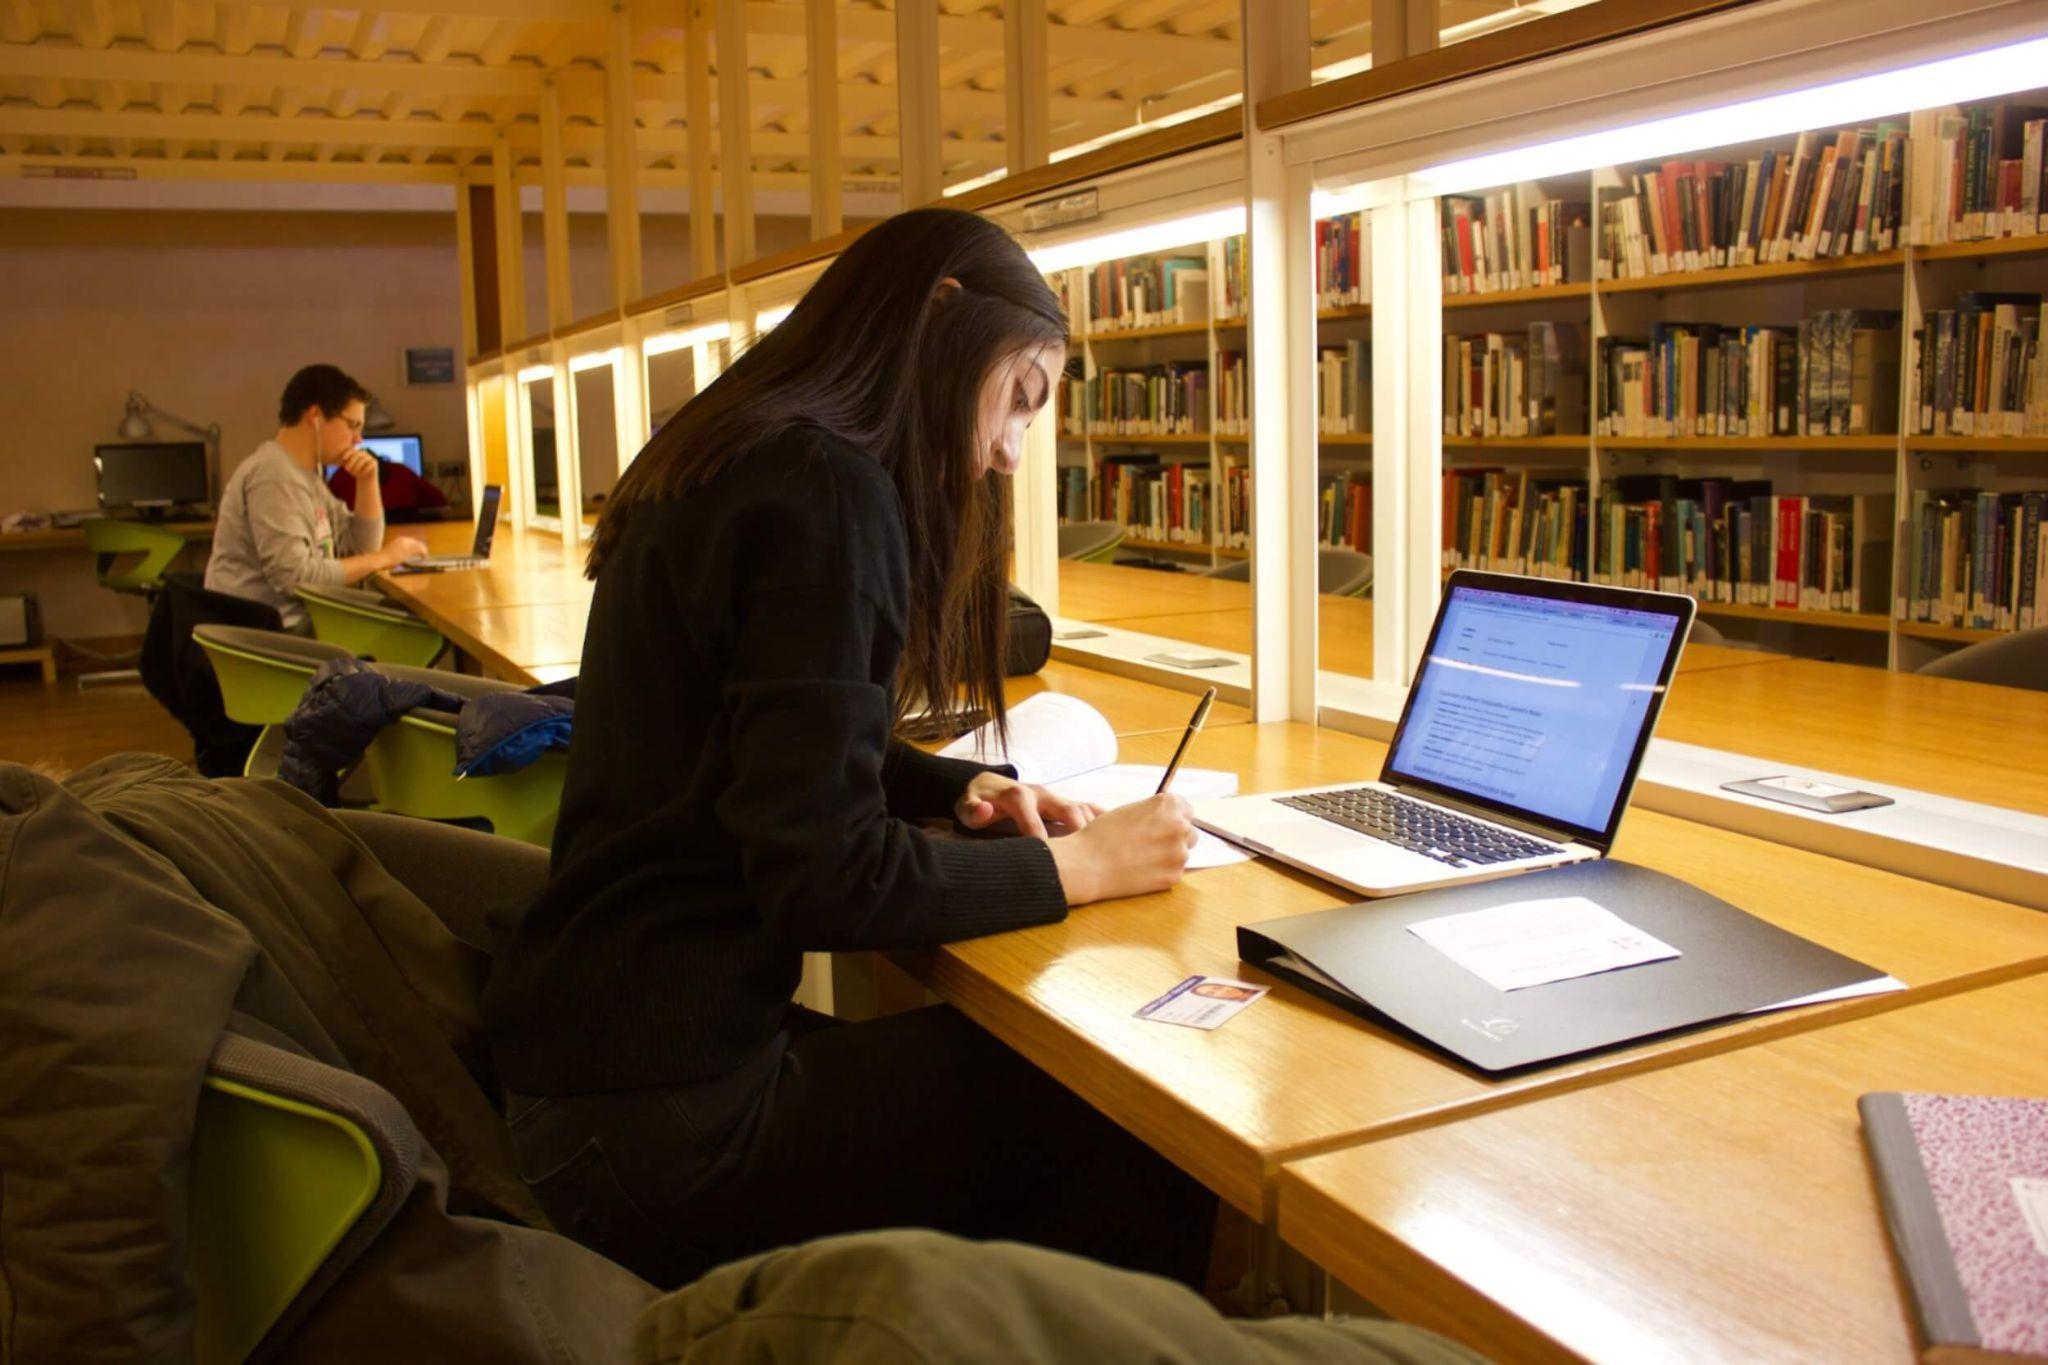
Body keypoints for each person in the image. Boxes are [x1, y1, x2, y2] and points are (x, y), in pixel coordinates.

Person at [484, 208, 1219, 1291]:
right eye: (1019, 398)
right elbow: (825, 879)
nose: (1013, 452)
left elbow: (772, 741)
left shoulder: (736, 450)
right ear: (943, 324)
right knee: (1140, 1113)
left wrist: (957, 782)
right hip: (665, 1135)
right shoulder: (831, 492)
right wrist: (1082, 867)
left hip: (594, 1076)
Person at [205, 364, 428, 629]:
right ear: (316, 416)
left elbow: (360, 548)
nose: (358, 439)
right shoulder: (274, 475)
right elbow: (296, 578)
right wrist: (384, 558)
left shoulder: (308, 476)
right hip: (273, 634)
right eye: (352, 425)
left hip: (299, 622)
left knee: (409, 626)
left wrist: (367, 482)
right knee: (415, 630)